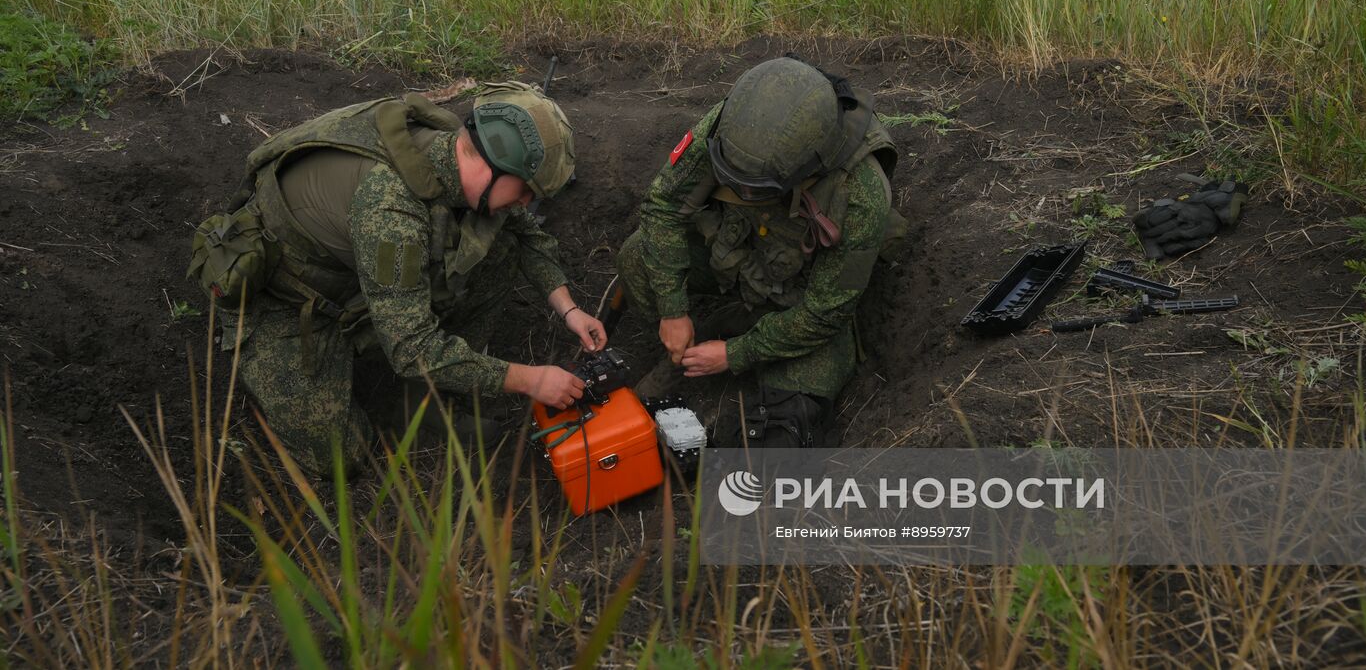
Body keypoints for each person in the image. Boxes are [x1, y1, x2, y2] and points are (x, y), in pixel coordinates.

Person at [189, 84, 606, 477]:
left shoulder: (450, 152)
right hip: (288, 300)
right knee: (341, 459)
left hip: (355, 269)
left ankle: (427, 399)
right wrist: (531, 380)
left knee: (500, 247)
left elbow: (525, 233)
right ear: (493, 166)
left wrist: (568, 309)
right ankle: (350, 371)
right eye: (524, 190)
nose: (525, 202)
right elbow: (411, 348)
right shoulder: (390, 210)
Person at [614, 57, 905, 448]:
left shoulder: (861, 193)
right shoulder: (733, 128)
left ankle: (740, 358)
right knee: (637, 256)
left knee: (780, 434)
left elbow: (824, 314)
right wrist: (673, 309)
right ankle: (686, 350)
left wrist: (735, 354)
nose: (741, 192)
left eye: (755, 189)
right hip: (736, 261)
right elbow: (662, 204)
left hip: (798, 306)